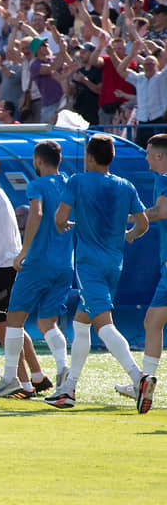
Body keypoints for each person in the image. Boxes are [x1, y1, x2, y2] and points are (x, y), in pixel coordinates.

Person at [46, 134, 150, 410]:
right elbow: (143, 224)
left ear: (89, 157)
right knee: (81, 323)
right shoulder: (125, 185)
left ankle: (138, 377)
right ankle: (68, 390)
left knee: (104, 325)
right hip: (114, 264)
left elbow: (59, 219)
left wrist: (67, 223)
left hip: (88, 264)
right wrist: (128, 235)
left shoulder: (77, 181)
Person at [0, 141, 72, 398]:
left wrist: (24, 251)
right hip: (64, 264)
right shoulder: (68, 182)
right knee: (48, 322)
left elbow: (35, 214)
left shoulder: (38, 184)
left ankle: (9, 379)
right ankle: (63, 371)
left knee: (13, 319)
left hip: (38, 261)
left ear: (38, 160)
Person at [0, 151, 50, 398]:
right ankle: (37, 377)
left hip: (7, 267)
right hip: (7, 266)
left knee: (4, 326)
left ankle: (22, 384)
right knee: (13, 325)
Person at [117, 134, 167, 413]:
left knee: (153, 322)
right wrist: (134, 230)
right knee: (152, 321)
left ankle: (144, 382)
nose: (146, 157)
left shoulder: (164, 177)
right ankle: (143, 383)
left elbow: (162, 211)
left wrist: (134, 216)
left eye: (149, 153)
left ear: (159, 155)